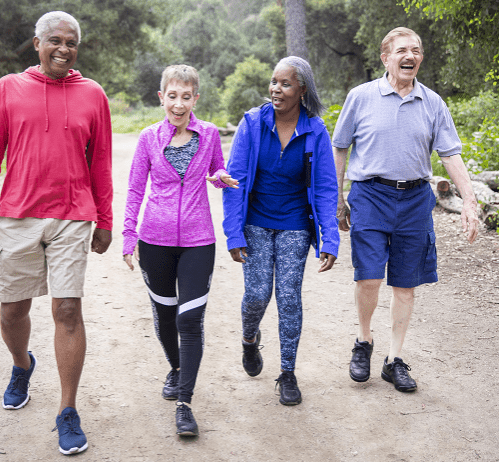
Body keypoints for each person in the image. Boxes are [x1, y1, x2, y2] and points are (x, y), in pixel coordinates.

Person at [0, 11, 112, 455]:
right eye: (55, 41)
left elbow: (100, 161)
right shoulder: (8, 88)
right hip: (17, 215)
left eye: (71, 42)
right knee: (12, 312)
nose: (63, 49)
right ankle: (22, 365)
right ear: (37, 43)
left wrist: (104, 218)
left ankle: (67, 410)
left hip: (72, 215)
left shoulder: (92, 95)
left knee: (67, 310)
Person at [332, 27, 479, 393]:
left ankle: (394, 359)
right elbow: (339, 148)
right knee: (368, 277)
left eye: (415, 50)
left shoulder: (433, 103)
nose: (409, 55)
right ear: (386, 58)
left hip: (415, 200)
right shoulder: (361, 97)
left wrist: (470, 202)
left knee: (406, 285)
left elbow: (450, 155)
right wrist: (336, 199)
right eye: (401, 50)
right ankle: (364, 342)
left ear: (420, 59)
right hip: (370, 195)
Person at [122, 64, 238, 437]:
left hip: (198, 241)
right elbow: (136, 191)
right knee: (166, 316)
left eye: (186, 97)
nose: (178, 104)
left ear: (195, 99)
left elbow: (217, 170)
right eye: (172, 96)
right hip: (153, 242)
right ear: (162, 97)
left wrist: (220, 179)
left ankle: (185, 403)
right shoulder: (148, 138)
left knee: (190, 320)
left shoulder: (207, 135)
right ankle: (175, 368)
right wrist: (128, 237)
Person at [222, 56, 339, 406]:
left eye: (285, 83)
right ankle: (248, 337)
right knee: (257, 294)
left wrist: (329, 238)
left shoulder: (315, 129)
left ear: (302, 89)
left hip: (294, 224)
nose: (276, 89)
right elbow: (234, 182)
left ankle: (287, 372)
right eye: (274, 82)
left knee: (288, 296)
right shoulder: (252, 123)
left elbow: (325, 187)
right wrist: (234, 234)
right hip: (255, 221)